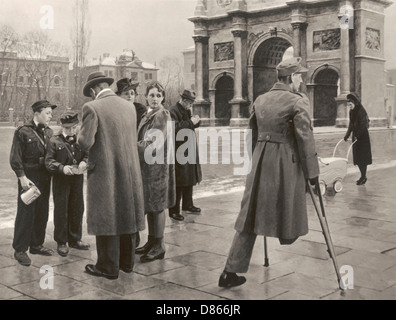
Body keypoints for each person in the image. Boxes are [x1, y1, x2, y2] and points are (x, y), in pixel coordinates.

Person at [218, 57, 320, 288]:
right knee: (286, 209)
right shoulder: (299, 101)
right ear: (291, 77)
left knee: (249, 217)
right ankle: (286, 235)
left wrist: (255, 160)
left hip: (260, 161)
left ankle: (229, 270)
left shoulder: (261, 99)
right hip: (285, 164)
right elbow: (305, 138)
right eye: (299, 76)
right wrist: (312, 172)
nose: (302, 80)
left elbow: (251, 134)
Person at [77, 71, 145, 280]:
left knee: (106, 216)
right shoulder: (129, 106)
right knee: (125, 212)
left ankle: (107, 266)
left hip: (105, 171)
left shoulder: (92, 107)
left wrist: (81, 130)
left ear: (93, 89)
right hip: (130, 170)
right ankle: (126, 263)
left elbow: (84, 142)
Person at [10, 100, 57, 266]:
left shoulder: (50, 132)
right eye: (48, 113)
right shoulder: (23, 131)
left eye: (51, 113)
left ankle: (36, 244)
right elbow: (15, 157)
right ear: (37, 113)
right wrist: (21, 176)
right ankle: (20, 249)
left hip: (45, 177)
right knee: (26, 212)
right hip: (29, 178)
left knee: (42, 211)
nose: (51, 116)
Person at [135, 81, 176, 262]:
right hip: (148, 167)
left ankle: (159, 245)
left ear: (163, 98)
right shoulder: (147, 115)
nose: (155, 99)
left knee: (158, 206)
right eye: (151, 95)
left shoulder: (162, 115)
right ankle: (151, 241)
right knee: (151, 205)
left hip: (158, 167)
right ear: (146, 97)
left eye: (158, 96)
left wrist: (131, 146)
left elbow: (154, 143)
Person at [45, 111, 90, 257]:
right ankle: (62, 241)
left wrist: (84, 162)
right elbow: (49, 161)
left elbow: (88, 154)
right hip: (61, 180)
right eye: (68, 128)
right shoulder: (54, 141)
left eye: (73, 127)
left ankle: (75, 239)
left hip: (77, 179)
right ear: (62, 126)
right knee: (61, 209)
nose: (71, 131)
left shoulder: (80, 140)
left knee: (77, 208)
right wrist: (62, 168)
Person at [116, 77, 147, 247]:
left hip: (136, 159)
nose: (130, 96)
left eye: (132, 93)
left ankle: (134, 237)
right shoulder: (116, 111)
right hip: (120, 159)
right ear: (119, 95)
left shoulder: (139, 110)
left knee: (134, 199)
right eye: (126, 93)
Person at [168, 89, 202, 221]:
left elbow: (189, 126)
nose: (190, 106)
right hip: (178, 151)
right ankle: (174, 210)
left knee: (189, 179)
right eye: (189, 103)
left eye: (191, 103)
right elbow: (174, 129)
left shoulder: (186, 110)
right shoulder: (173, 111)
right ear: (183, 100)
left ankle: (187, 205)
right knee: (179, 182)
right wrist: (191, 122)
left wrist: (196, 122)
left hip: (187, 149)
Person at [344, 92, 372, 185]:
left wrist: (357, 135)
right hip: (356, 137)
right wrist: (347, 134)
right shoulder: (351, 111)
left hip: (362, 137)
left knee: (363, 158)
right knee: (358, 158)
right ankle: (362, 176)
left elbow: (363, 125)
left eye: (350, 104)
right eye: (348, 105)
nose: (349, 106)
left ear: (354, 103)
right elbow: (351, 124)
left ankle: (363, 177)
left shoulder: (361, 110)